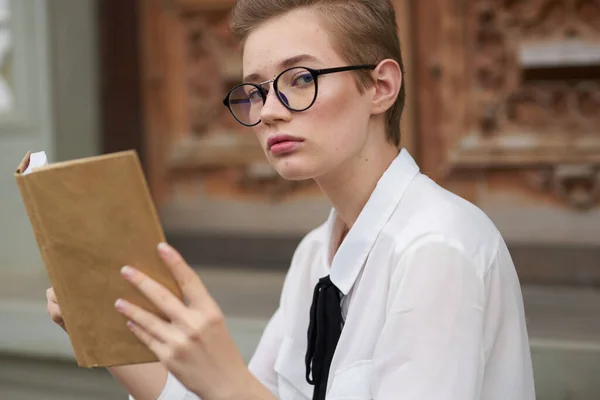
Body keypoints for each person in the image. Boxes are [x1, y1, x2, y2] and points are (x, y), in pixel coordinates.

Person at [46, 0, 536, 399]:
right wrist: (105, 329)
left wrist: (227, 383)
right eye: (255, 91)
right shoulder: (315, 258)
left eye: (300, 79)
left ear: (381, 86)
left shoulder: (436, 249)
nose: (269, 112)